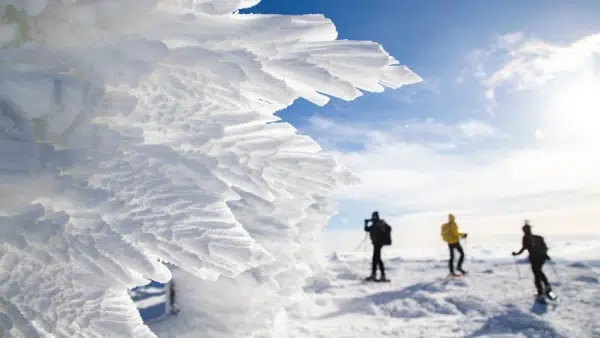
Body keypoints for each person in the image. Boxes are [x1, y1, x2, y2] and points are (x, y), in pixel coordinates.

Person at [512, 220, 553, 299]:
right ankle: (547, 286)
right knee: (539, 271)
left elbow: (524, 248)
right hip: (542, 257)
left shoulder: (526, 238)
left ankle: (540, 291)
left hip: (535, 258)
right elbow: (544, 248)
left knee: (536, 273)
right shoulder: (537, 238)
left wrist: (516, 254)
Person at [364, 211, 392, 282]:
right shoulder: (374, 224)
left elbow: (387, 228)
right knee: (376, 259)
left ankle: (380, 276)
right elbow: (367, 229)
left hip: (378, 243)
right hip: (376, 243)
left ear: (377, 216)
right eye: (372, 216)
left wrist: (382, 226)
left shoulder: (379, 223)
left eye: (374, 216)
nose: (373, 217)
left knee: (377, 259)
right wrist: (366, 223)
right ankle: (376, 275)